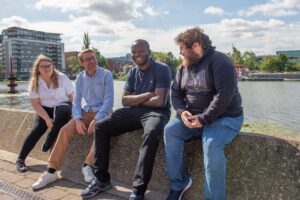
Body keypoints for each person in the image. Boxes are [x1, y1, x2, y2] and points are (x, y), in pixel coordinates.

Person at [81, 39, 172, 200]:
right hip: (133, 111)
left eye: (141, 51)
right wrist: (149, 94)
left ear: (149, 51)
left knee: (151, 133)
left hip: (156, 113)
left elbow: (160, 101)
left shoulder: (162, 69)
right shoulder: (132, 72)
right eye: (134, 52)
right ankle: (101, 179)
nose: (137, 55)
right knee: (101, 126)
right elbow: (124, 100)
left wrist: (135, 98)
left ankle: (138, 190)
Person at [164, 26, 244, 200]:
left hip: (224, 118)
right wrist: (182, 111)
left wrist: (204, 118)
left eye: (182, 49)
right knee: (170, 130)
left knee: (211, 144)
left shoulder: (220, 62)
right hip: (194, 118)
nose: (180, 53)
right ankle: (179, 183)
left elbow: (224, 95)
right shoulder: (183, 68)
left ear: (196, 46)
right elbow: (175, 93)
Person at [32, 49, 114, 190]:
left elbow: (109, 102)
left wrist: (96, 119)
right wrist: (77, 120)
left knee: (102, 131)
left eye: (93, 58)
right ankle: (51, 170)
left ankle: (87, 166)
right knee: (64, 130)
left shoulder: (106, 75)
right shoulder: (80, 77)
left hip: (103, 112)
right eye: (87, 59)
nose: (92, 61)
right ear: (82, 63)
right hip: (85, 111)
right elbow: (76, 102)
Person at [16, 55, 74, 173]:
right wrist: (47, 119)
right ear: (38, 69)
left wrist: (75, 113)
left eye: (49, 65)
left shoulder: (61, 78)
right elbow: (36, 104)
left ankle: (50, 137)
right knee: (37, 130)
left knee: (63, 109)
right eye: (43, 66)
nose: (47, 68)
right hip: (45, 109)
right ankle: (20, 160)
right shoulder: (35, 82)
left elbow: (73, 96)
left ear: (52, 66)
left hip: (63, 107)